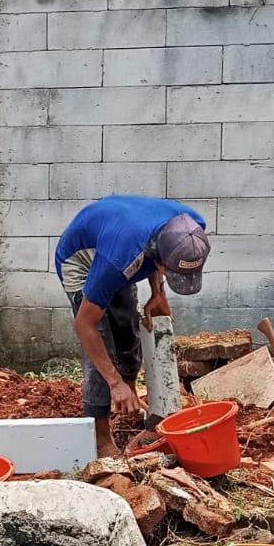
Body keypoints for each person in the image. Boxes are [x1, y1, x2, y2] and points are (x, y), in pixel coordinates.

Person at [54, 195, 211, 458]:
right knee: (102, 345)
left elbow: (155, 245)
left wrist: (158, 292)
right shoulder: (121, 259)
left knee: (128, 333)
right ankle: (101, 436)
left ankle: (126, 403)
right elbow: (84, 325)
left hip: (118, 243)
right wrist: (114, 382)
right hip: (82, 259)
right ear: (159, 260)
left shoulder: (192, 229)